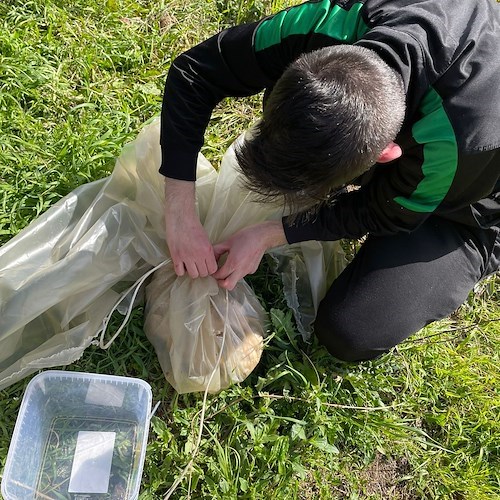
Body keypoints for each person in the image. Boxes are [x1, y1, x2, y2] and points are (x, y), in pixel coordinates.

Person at [159, 0, 500, 361]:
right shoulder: (326, 24)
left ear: (387, 153)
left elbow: (385, 212)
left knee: (351, 330)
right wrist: (179, 211)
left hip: (470, 205)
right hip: (430, 134)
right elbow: (195, 72)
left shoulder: (457, 145)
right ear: (303, 63)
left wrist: (271, 233)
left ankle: (481, 248)